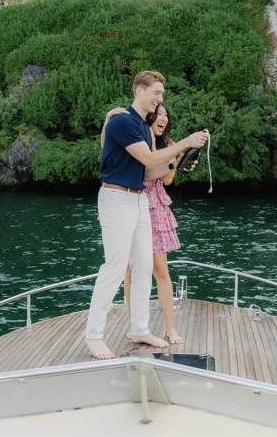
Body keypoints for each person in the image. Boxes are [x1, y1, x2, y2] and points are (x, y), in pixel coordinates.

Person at [85, 71, 209, 360]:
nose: (160, 99)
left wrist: (176, 165)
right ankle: (93, 335)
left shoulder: (142, 127)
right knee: (115, 268)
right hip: (116, 199)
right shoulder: (123, 122)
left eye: (162, 94)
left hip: (139, 199)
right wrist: (186, 141)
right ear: (139, 90)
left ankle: (140, 328)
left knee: (142, 267)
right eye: (156, 93)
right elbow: (150, 158)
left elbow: (151, 171)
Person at [101, 103, 185, 345]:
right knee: (130, 270)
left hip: (154, 208)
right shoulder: (134, 139)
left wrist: (175, 164)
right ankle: (136, 323)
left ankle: (170, 328)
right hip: (128, 201)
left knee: (161, 269)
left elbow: (168, 179)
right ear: (148, 117)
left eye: (166, 115)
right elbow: (134, 165)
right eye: (158, 114)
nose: (163, 118)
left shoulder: (169, 146)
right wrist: (108, 118)